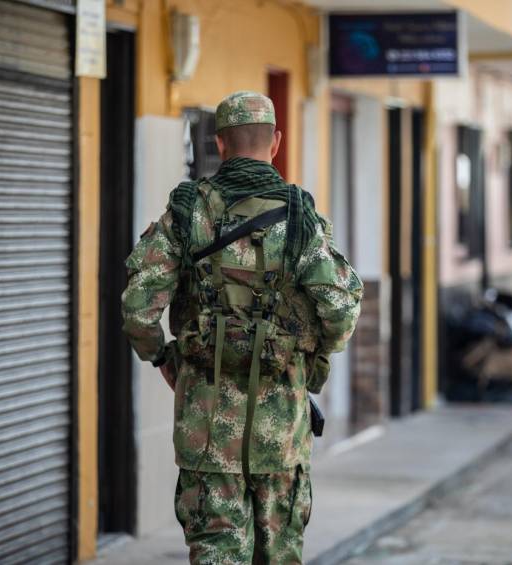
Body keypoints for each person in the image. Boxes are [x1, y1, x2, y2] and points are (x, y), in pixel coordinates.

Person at [121, 91, 363, 564]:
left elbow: (138, 309)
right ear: (275, 142)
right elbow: (342, 309)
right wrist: (314, 359)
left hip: (205, 426)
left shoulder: (187, 214)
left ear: (220, 143)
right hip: (281, 429)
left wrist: (165, 359)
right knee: (280, 554)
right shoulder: (300, 219)